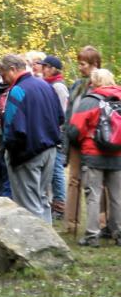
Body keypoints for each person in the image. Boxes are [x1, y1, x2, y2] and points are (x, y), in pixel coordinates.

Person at [0, 54, 64, 224]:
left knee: (29, 206)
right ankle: (48, 243)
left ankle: (34, 247)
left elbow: (12, 127)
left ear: (12, 69)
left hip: (27, 154)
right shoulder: (46, 85)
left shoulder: (18, 90)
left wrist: (9, 153)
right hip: (49, 150)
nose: (4, 80)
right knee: (42, 200)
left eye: (3, 75)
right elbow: (60, 117)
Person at [66, 69, 121, 247]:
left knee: (93, 195)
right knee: (117, 196)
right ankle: (118, 233)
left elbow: (74, 131)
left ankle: (92, 235)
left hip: (93, 154)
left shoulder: (89, 101)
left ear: (95, 82)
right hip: (118, 155)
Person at [64, 45, 102, 233]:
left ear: (95, 63)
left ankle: (103, 222)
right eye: (79, 64)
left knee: (100, 182)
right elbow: (70, 112)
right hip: (76, 140)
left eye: (83, 64)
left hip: (97, 141)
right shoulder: (77, 85)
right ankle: (71, 223)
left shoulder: (103, 84)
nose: (80, 68)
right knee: (74, 180)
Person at [40, 56, 69, 220]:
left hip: (57, 133)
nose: (43, 69)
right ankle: (54, 203)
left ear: (53, 69)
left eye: (46, 67)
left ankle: (60, 205)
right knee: (52, 169)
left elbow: (62, 113)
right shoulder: (49, 84)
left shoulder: (58, 86)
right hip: (51, 132)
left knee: (57, 170)